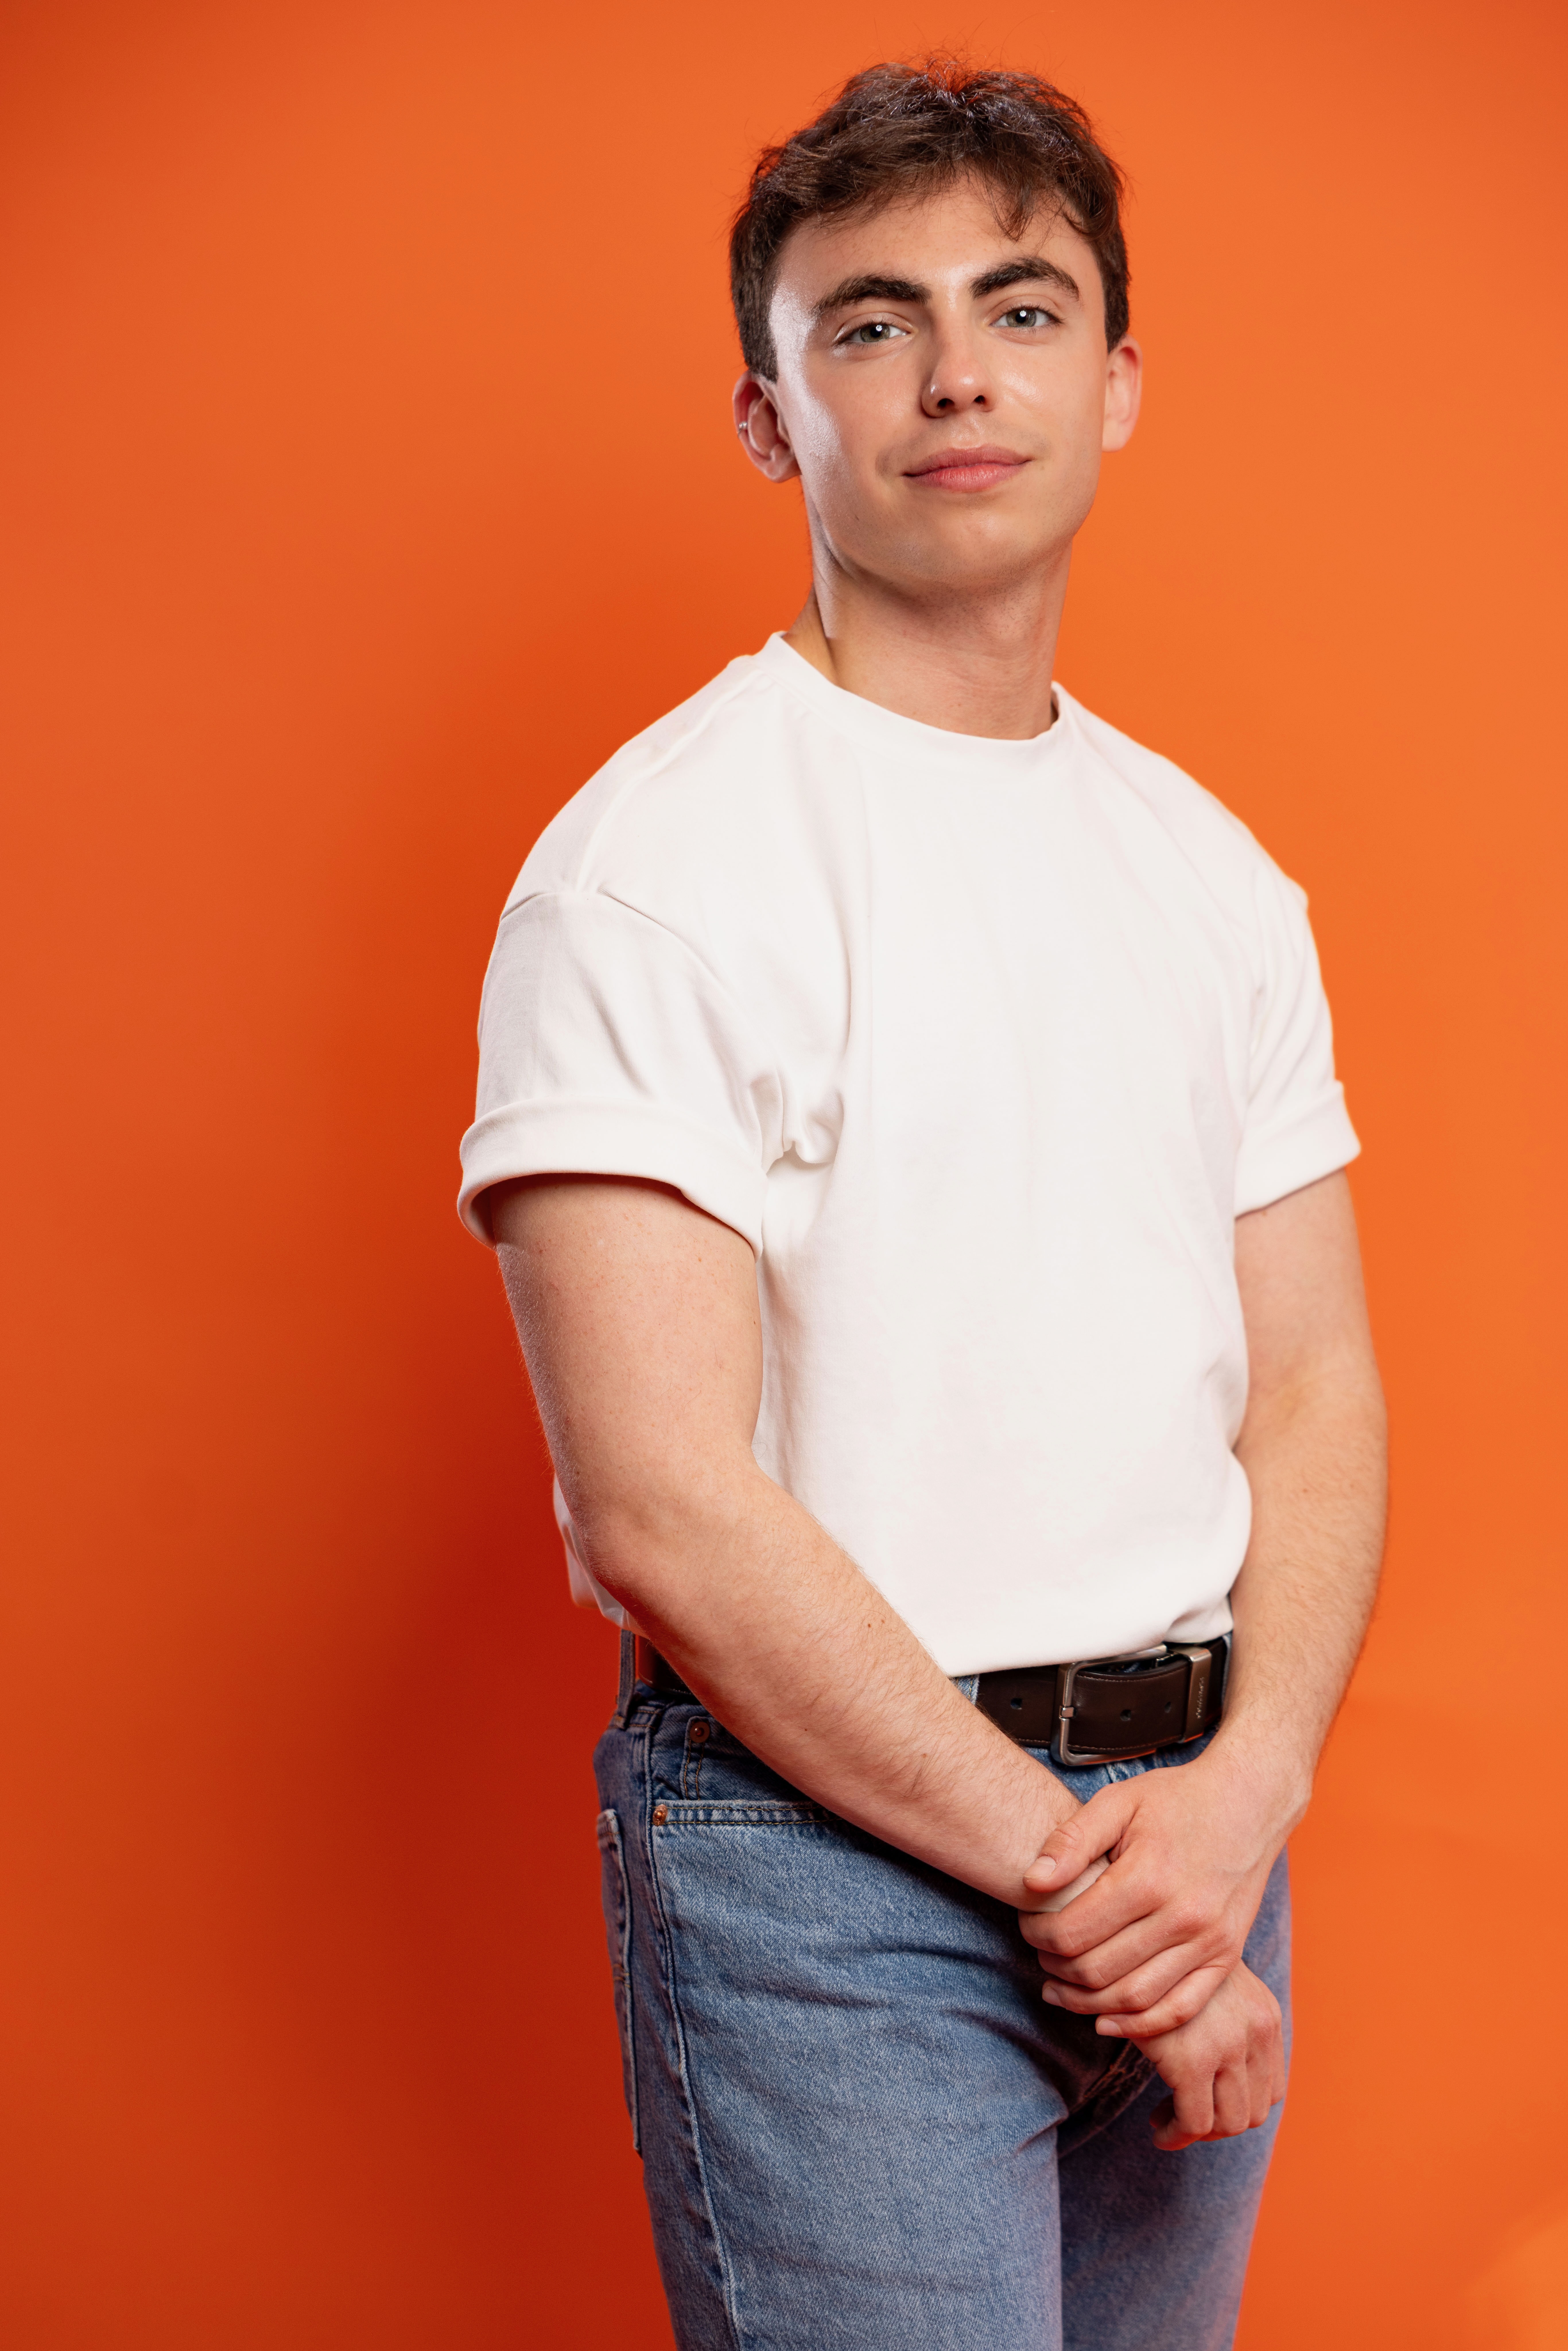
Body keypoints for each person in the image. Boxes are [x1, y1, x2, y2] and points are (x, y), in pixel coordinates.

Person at [458, 58, 1387, 2351]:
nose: (956, 370)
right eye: (866, 321)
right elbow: (656, 1506)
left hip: (1193, 1825)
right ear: (772, 414)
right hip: (826, 1871)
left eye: (1020, 304)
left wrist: (1232, 1804)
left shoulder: (1208, 871)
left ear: (1114, 378)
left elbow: (1313, 1383)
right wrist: (1079, 1877)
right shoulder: (656, 868)